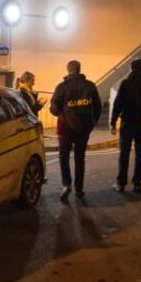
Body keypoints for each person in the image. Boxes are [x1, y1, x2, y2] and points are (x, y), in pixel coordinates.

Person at [50, 60, 102, 201]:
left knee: (64, 156)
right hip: (84, 128)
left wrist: (59, 109)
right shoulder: (90, 86)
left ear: (68, 70)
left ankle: (66, 184)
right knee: (80, 158)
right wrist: (91, 124)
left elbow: (54, 110)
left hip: (65, 128)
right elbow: (98, 108)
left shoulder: (62, 87)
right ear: (80, 69)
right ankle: (79, 189)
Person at [109, 59, 141, 193]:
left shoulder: (126, 83)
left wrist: (113, 122)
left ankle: (121, 183)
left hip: (127, 123)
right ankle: (137, 183)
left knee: (124, 154)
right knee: (140, 154)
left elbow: (117, 104)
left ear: (131, 69)